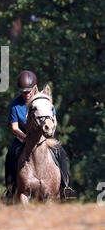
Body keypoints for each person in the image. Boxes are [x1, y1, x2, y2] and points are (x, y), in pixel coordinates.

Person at [5, 70, 77, 201]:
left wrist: (51, 130)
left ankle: (65, 187)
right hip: (23, 138)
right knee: (11, 153)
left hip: (44, 136)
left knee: (61, 152)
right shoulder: (16, 104)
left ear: (34, 88)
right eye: (23, 91)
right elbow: (14, 127)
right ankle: (10, 189)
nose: (26, 94)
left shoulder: (42, 100)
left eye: (28, 91)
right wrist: (25, 138)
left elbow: (53, 119)